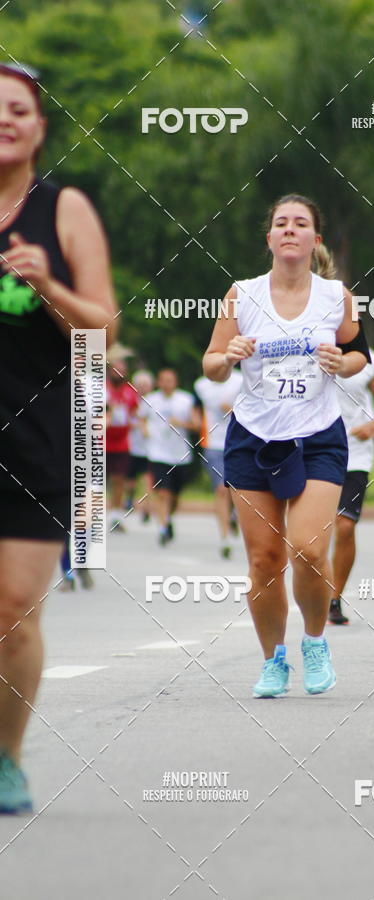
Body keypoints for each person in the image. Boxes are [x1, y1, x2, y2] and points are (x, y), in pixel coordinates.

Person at [0, 62, 117, 813]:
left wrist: (46, 284)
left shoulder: (63, 209)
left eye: (18, 109)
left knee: (13, 610)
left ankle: (6, 758)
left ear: (40, 127)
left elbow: (101, 329)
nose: (5, 119)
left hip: (33, 436)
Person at [202, 193, 368, 698]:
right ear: (269, 238)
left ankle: (314, 642)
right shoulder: (241, 296)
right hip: (253, 437)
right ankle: (274, 660)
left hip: (318, 435)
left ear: (315, 239)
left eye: (301, 224)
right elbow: (209, 364)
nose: (290, 230)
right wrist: (227, 356)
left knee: (310, 550)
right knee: (264, 560)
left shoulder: (336, 295)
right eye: (281, 223)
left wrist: (343, 364)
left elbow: (360, 354)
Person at [328, 349, 374, 624]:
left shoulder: (370, 359)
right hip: (314, 450)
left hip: (355, 453)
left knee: (344, 526)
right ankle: (313, 591)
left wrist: (373, 425)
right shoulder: (309, 347)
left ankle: (334, 598)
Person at [193, 367, 243, 558]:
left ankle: (233, 516)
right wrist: (196, 420)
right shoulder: (201, 385)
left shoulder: (240, 380)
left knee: (235, 489)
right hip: (213, 443)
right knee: (222, 489)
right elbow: (196, 408)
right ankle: (225, 539)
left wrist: (232, 410)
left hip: (238, 442)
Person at [142, 368, 195, 546]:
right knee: (163, 493)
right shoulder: (150, 400)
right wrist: (145, 431)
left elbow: (196, 424)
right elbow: (140, 418)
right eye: (163, 380)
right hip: (157, 453)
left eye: (170, 380)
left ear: (176, 382)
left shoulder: (186, 399)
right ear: (158, 382)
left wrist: (182, 423)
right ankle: (163, 529)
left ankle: (168, 518)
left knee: (174, 496)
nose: (166, 384)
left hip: (180, 454)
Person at [106, 349, 138, 533]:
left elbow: (134, 414)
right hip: (101, 441)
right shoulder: (102, 389)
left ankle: (116, 516)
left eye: (122, 370)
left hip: (122, 442)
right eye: (115, 370)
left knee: (119, 480)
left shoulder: (129, 392)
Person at [124, 369, 155, 523]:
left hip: (148, 448)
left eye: (146, 385)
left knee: (147, 478)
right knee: (130, 479)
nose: (143, 388)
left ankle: (146, 508)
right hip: (131, 445)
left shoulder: (155, 402)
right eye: (140, 385)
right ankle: (129, 498)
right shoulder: (129, 400)